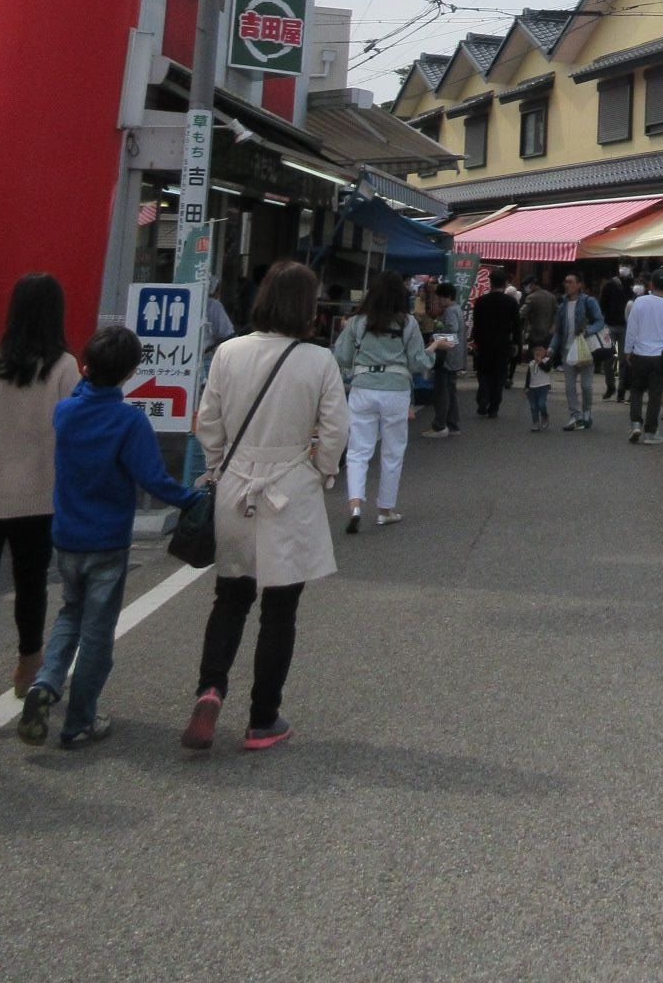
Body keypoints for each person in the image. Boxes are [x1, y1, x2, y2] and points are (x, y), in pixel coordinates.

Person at [179, 262, 349, 754]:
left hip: (236, 486)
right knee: (280, 608)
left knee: (230, 597)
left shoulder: (229, 352)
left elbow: (206, 421)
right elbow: (334, 431)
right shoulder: (319, 361)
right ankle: (262, 718)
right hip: (289, 486)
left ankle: (210, 689)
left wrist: (219, 466)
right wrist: (320, 471)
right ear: (308, 307)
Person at [16, 324, 195, 750]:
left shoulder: (65, 412)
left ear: (83, 367)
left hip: (67, 537)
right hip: (108, 543)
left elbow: (80, 397)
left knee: (69, 614)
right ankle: (79, 721)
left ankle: (46, 682)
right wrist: (192, 500)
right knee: (97, 631)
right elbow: (153, 479)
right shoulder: (129, 422)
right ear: (131, 373)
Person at [0, 275, 80, 732]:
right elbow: (74, 431)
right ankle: (29, 669)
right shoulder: (64, 367)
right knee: (31, 585)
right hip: (36, 496)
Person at [333, 271, 432, 529]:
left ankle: (355, 504)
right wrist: (434, 351)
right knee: (392, 451)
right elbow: (417, 361)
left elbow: (341, 356)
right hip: (396, 390)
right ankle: (385, 509)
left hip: (363, 387)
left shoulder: (357, 322)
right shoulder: (408, 323)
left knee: (358, 449)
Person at [625, 271, 663, 444]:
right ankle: (650, 432)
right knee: (655, 394)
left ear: (650, 285)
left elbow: (631, 328)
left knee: (636, 390)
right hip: (661, 355)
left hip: (640, 353)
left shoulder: (639, 302)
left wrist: (628, 350)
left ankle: (635, 423)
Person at [548, 272, 603, 432]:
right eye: (565, 282)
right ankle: (575, 415)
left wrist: (588, 330)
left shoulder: (589, 302)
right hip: (567, 350)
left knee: (586, 386)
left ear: (579, 285)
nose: (567, 285)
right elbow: (559, 331)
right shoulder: (562, 305)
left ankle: (587, 412)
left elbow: (600, 321)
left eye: (571, 282)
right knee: (569, 387)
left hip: (585, 349)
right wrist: (551, 348)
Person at [471, 269, 521, 420]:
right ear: (505, 283)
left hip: (484, 343)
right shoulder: (511, 302)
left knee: (484, 373)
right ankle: (494, 406)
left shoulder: (481, 301)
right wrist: (516, 343)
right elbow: (516, 326)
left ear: (490, 282)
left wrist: (475, 342)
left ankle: (483, 396)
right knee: (499, 375)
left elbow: (476, 324)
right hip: (503, 343)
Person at [426, 279, 464, 434]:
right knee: (450, 391)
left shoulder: (449, 311)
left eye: (440, 297)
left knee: (442, 392)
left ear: (447, 297)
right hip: (455, 358)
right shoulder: (457, 309)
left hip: (446, 357)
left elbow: (452, 332)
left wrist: (435, 339)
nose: (439, 301)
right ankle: (452, 424)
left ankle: (440, 425)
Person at [597, 268, 629, 399]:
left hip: (626, 327)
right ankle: (610, 385)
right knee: (607, 359)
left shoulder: (633, 285)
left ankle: (621, 389)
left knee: (624, 360)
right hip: (610, 325)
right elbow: (602, 305)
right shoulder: (609, 285)